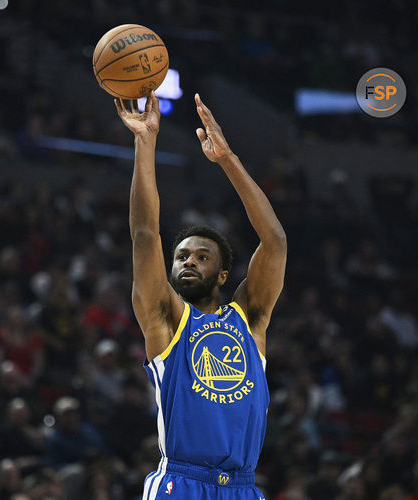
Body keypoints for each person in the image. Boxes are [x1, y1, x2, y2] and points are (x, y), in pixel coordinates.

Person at [115, 92, 287, 499]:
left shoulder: (250, 318)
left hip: (244, 487)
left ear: (223, 273)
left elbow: (275, 241)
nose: (188, 262)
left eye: (202, 256)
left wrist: (227, 159)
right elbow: (144, 233)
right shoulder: (166, 319)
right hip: (182, 483)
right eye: (181, 256)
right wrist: (145, 141)